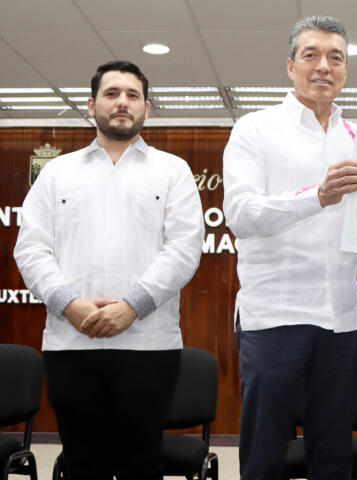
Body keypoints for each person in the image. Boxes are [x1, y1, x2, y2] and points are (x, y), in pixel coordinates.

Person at [13, 60, 204, 479]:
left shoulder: (172, 170)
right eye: (112, 94)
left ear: (147, 109)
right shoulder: (56, 172)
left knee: (141, 464)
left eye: (132, 96)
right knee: (82, 464)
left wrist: (132, 306)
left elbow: (185, 249)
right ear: (91, 104)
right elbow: (30, 248)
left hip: (149, 345)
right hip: (71, 343)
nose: (122, 103)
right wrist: (70, 304)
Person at [222, 15, 357, 479]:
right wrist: (317, 197)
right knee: (266, 454)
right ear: (290, 66)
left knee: (333, 455)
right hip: (275, 317)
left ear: (345, 71)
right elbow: (241, 215)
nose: (323, 66)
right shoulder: (255, 130)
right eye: (311, 55)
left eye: (336, 57)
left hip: (345, 320)